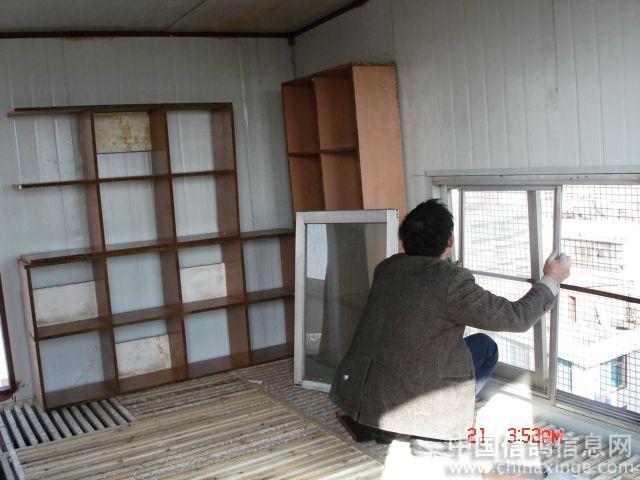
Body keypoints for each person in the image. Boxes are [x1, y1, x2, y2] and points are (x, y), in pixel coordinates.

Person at [330, 199, 571, 456]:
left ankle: (384, 425)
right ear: (450, 240)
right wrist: (551, 279)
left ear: (404, 241)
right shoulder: (451, 282)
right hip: (405, 398)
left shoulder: (387, 268)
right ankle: (432, 431)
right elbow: (517, 317)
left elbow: (419, 297)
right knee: (485, 347)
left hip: (362, 399)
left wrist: (447, 275)